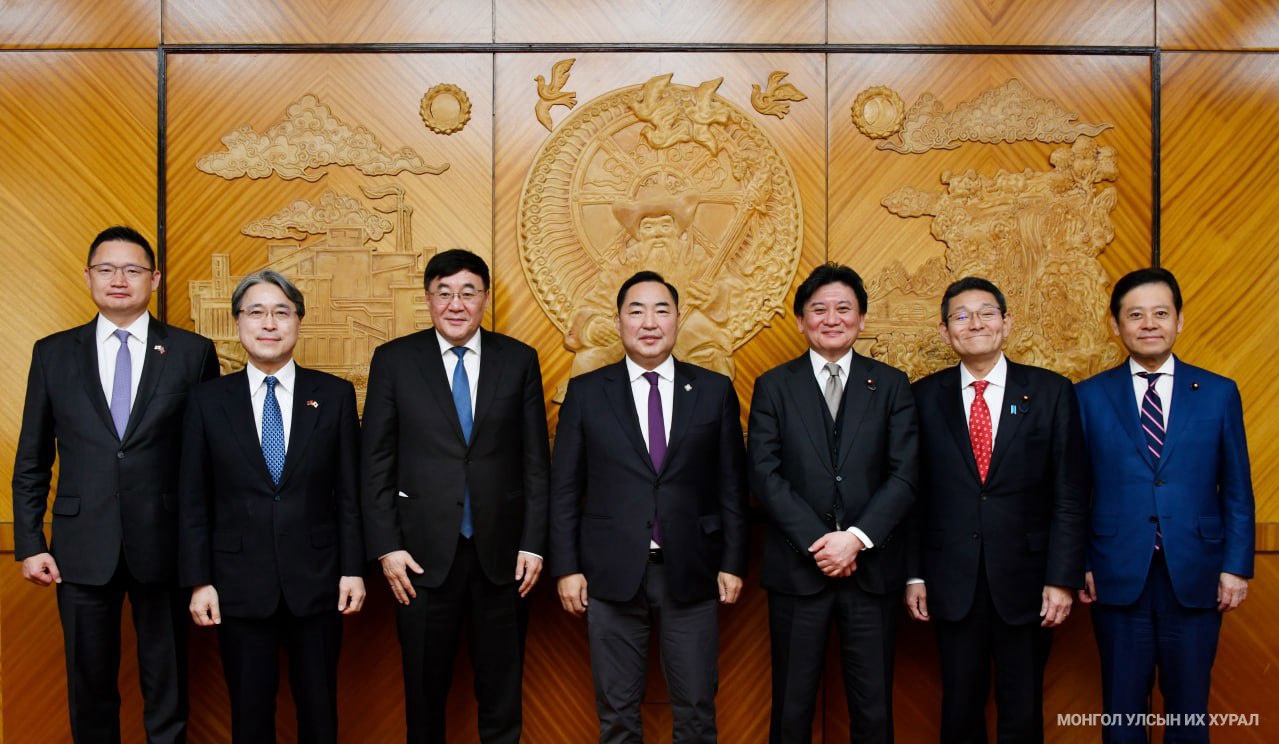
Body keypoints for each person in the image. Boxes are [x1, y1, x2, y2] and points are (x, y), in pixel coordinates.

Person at [11, 225, 219, 743]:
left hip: (165, 545)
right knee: (90, 688)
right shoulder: (53, 353)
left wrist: (204, 552)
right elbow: (32, 457)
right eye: (106, 269)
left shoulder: (192, 353)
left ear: (155, 278)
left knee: (168, 686)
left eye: (132, 269)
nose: (118, 280)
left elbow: (209, 461)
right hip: (81, 547)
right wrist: (31, 542)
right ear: (88, 277)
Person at [549, 270, 749, 743]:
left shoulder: (714, 390)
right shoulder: (587, 392)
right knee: (617, 715)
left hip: (693, 569)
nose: (649, 322)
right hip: (610, 571)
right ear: (619, 321)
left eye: (662, 310)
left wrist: (733, 562)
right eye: (636, 311)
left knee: (696, 711)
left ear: (678, 319)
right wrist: (567, 568)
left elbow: (732, 486)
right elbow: (564, 489)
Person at [361, 249, 550, 744]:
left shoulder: (519, 360)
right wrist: (387, 547)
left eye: (468, 292)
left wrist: (533, 545)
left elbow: (536, 462)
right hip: (418, 560)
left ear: (485, 298)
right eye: (443, 293)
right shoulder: (395, 361)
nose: (456, 304)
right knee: (424, 697)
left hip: (503, 559)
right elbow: (375, 461)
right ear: (428, 299)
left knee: (502, 696)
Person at [179, 270, 365, 743]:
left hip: (319, 581)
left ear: (298, 321)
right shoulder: (206, 400)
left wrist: (353, 570)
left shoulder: (334, 395)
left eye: (281, 312)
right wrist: (199, 580)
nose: (269, 323)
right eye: (256, 312)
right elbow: (193, 498)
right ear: (238, 323)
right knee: (250, 716)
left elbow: (349, 493)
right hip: (237, 583)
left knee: (319, 714)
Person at [905, 276, 1087, 743]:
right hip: (951, 580)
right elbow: (912, 494)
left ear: (1007, 323)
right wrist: (914, 574)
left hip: (1029, 580)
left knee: (1022, 709)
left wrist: (1062, 578)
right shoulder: (922, 398)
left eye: (987, 313)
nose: (975, 323)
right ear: (945, 331)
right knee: (959, 709)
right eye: (961, 316)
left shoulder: (1051, 392)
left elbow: (1070, 493)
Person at [1075, 267, 1254, 743]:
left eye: (1160, 313)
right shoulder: (1088, 397)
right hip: (1115, 574)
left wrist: (1236, 567)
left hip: (1197, 574)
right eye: (1135, 315)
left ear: (1179, 320)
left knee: (1189, 712)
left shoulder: (1218, 392)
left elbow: (1238, 489)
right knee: (1122, 713)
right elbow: (1074, 492)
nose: (1149, 324)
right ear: (1116, 325)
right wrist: (1083, 563)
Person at [748, 261, 919, 744]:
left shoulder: (891, 384)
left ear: (861, 319)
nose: (831, 318)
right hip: (798, 570)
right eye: (818, 309)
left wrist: (856, 539)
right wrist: (820, 542)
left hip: (871, 573)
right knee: (791, 709)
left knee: (874, 710)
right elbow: (763, 473)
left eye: (843, 308)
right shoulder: (774, 386)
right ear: (800, 321)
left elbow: (905, 474)